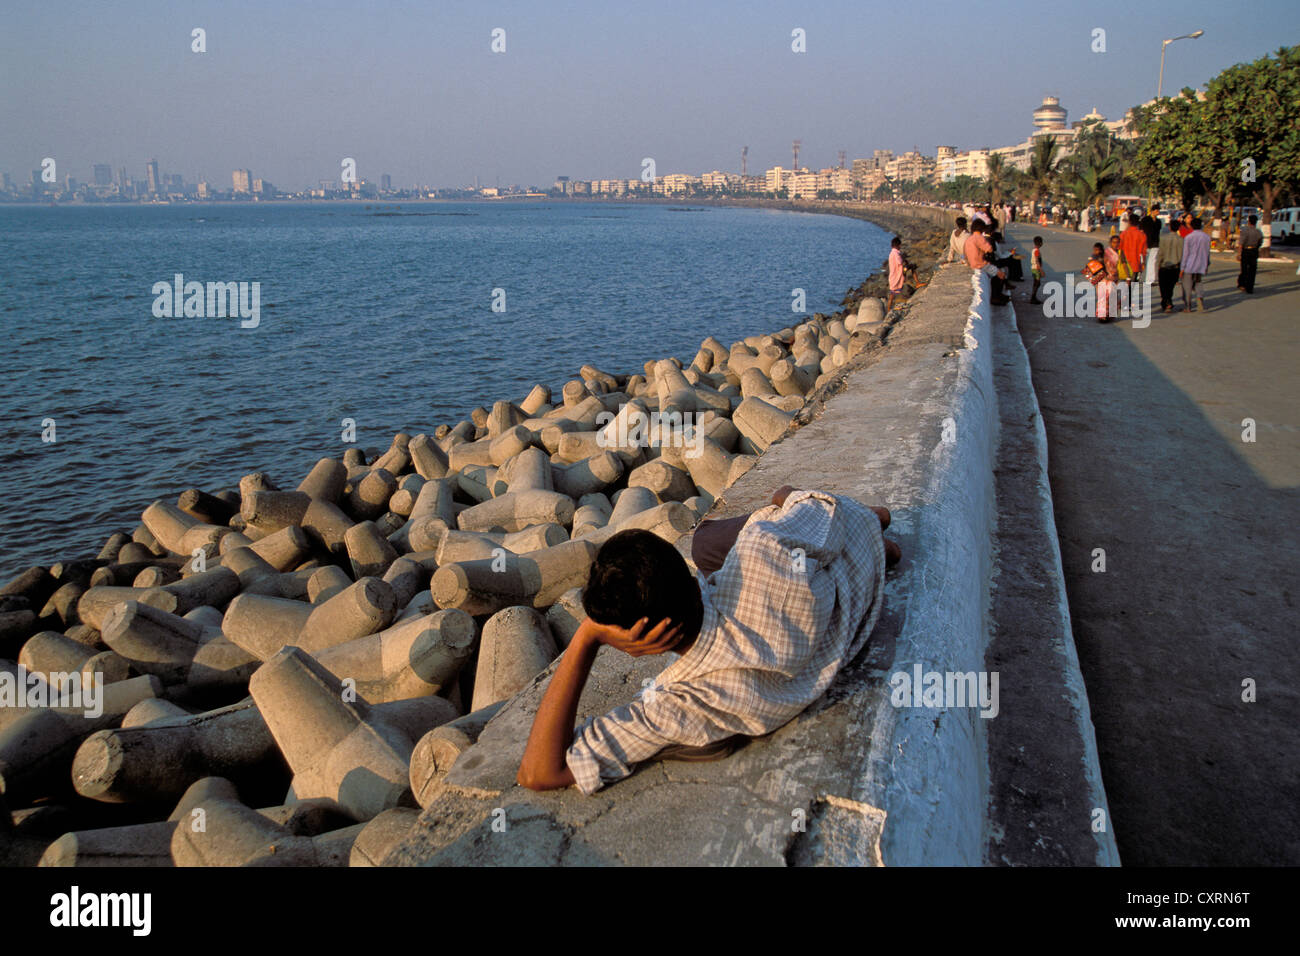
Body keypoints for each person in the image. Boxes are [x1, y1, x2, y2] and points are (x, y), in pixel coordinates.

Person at [516, 487, 899, 794]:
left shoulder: (681, 705)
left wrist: (587, 638)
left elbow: (539, 772)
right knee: (733, 526)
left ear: (642, 639)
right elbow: (824, 508)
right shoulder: (762, 550)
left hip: (836, 631)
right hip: (850, 587)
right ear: (695, 583)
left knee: (716, 538)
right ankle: (877, 525)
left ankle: (875, 540)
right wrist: (788, 497)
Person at [965, 220, 1009, 305]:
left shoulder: (969, 238)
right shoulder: (979, 237)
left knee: (996, 272)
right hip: (980, 264)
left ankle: (997, 295)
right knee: (1000, 274)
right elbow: (989, 249)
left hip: (972, 263)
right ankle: (996, 297)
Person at [1180, 217, 1211, 313]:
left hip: (1189, 264)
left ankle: (1188, 306)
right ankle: (1199, 299)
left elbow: (1185, 254)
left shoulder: (1189, 237)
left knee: (1187, 286)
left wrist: (1182, 268)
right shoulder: (1207, 237)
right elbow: (1208, 253)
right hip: (1201, 264)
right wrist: (1206, 265)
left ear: (1192, 226)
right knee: (1198, 283)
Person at [1156, 219, 1183, 313]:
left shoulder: (1163, 238)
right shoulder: (1181, 240)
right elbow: (1182, 255)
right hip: (1175, 267)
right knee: (1170, 286)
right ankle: (1168, 301)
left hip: (1164, 266)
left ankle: (1166, 302)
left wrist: (1158, 264)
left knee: (1163, 286)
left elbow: (1160, 253)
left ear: (1170, 227)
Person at [1083, 242, 1114, 322]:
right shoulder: (1093, 257)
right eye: (1095, 250)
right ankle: (1101, 315)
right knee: (1102, 298)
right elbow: (1088, 270)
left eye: (1097, 250)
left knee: (1109, 296)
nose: (1096, 251)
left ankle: (1108, 314)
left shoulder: (1105, 257)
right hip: (1100, 280)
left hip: (1108, 279)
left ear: (1101, 250)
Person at [1237, 215, 1264, 294]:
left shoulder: (1245, 230)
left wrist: (1239, 253)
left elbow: (1241, 243)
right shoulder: (1259, 232)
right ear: (1256, 222)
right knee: (1252, 270)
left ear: (1249, 221)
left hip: (1246, 251)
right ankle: (1250, 287)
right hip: (1254, 251)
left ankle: (1242, 284)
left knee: (1244, 268)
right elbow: (1260, 242)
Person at [1140, 205, 1163, 287]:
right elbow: (1141, 231)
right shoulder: (1145, 220)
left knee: (1152, 262)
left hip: (1155, 243)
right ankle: (1137, 277)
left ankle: (1150, 280)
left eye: (1158, 210)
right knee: (1143, 261)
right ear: (1152, 211)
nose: (1158, 212)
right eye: (1157, 210)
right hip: (1145, 243)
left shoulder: (1159, 221)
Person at [886, 236, 906, 312]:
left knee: (892, 294)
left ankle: (889, 308)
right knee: (892, 294)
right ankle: (889, 309)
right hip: (895, 275)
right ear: (898, 245)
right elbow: (900, 262)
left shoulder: (892, 253)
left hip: (894, 275)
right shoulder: (896, 253)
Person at [1030, 235, 1045, 304]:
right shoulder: (1036, 251)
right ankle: (1033, 298)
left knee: (1037, 283)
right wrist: (1041, 270)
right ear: (1040, 243)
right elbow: (1037, 261)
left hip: (1034, 268)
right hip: (1036, 269)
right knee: (1037, 283)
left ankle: (1033, 297)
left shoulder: (1034, 250)